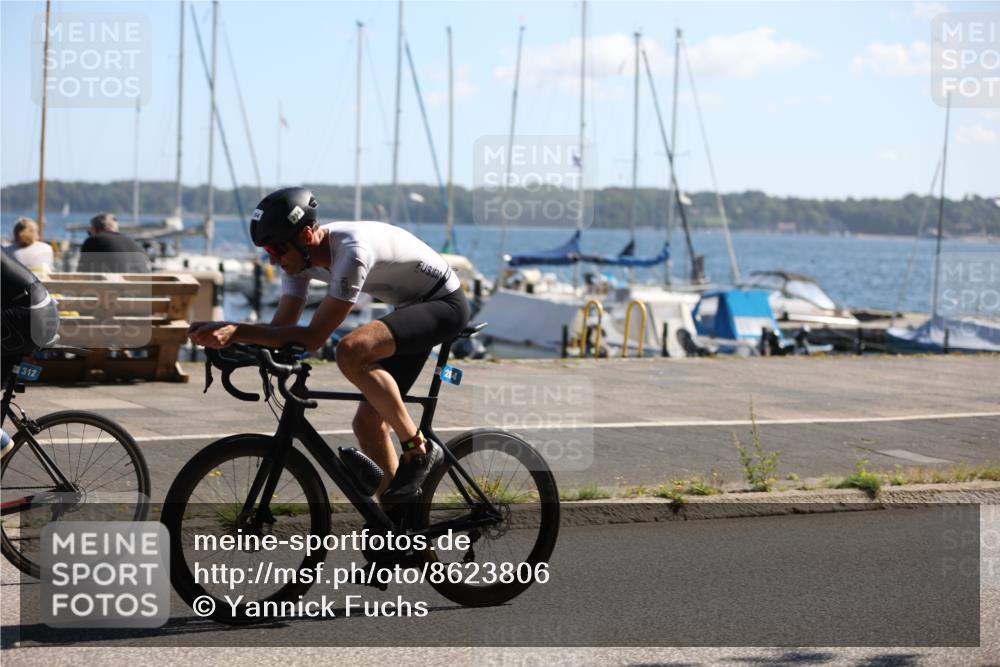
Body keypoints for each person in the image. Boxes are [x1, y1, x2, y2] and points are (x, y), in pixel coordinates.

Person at [188, 188, 470, 503]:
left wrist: (238, 331)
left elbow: (314, 338)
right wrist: (226, 333)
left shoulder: (351, 252)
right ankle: (397, 516)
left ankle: (418, 450)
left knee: (351, 350)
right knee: (367, 425)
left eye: (277, 249)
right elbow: (281, 327)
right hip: (408, 306)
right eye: (267, 250)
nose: (273, 259)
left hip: (443, 304)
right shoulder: (298, 261)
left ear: (307, 236)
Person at [76, 212, 151, 273]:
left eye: (90, 232)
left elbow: (82, 272)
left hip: (115, 287)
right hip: (144, 286)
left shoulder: (92, 241)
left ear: (94, 229)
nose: (90, 234)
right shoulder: (133, 243)